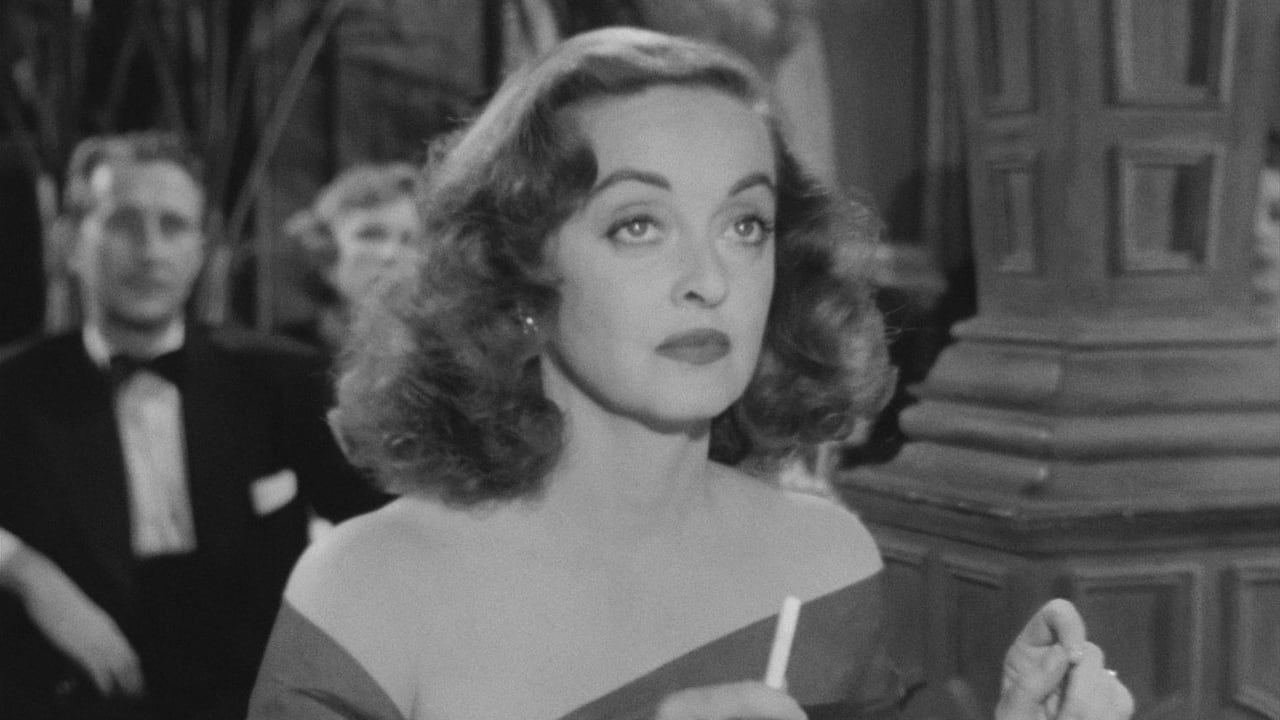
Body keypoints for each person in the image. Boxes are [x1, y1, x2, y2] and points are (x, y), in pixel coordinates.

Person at [247, 28, 1135, 720]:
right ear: (515, 279)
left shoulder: (823, 560)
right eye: (638, 224)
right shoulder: (370, 591)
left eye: (745, 225)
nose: (710, 279)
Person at [0, 132, 385, 720]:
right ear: (69, 241)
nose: (151, 251)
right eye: (123, 222)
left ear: (202, 249)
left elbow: (376, 521)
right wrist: (27, 574)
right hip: (71, 694)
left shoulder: (280, 377)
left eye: (174, 225)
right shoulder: (15, 389)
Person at [283, 162, 425, 355]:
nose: (391, 254)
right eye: (371, 235)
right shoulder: (284, 353)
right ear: (323, 246)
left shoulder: (439, 355)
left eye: (409, 241)